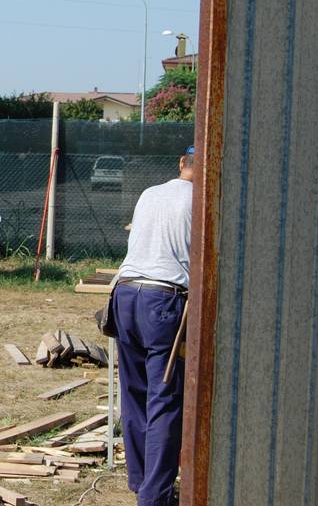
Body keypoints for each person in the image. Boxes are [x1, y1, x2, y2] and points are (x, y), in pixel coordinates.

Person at [113, 145, 195, 506]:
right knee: (164, 399)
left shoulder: (150, 193)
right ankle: (155, 496)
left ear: (181, 163)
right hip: (163, 302)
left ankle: (140, 481)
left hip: (125, 294)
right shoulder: (203, 201)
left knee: (134, 396)